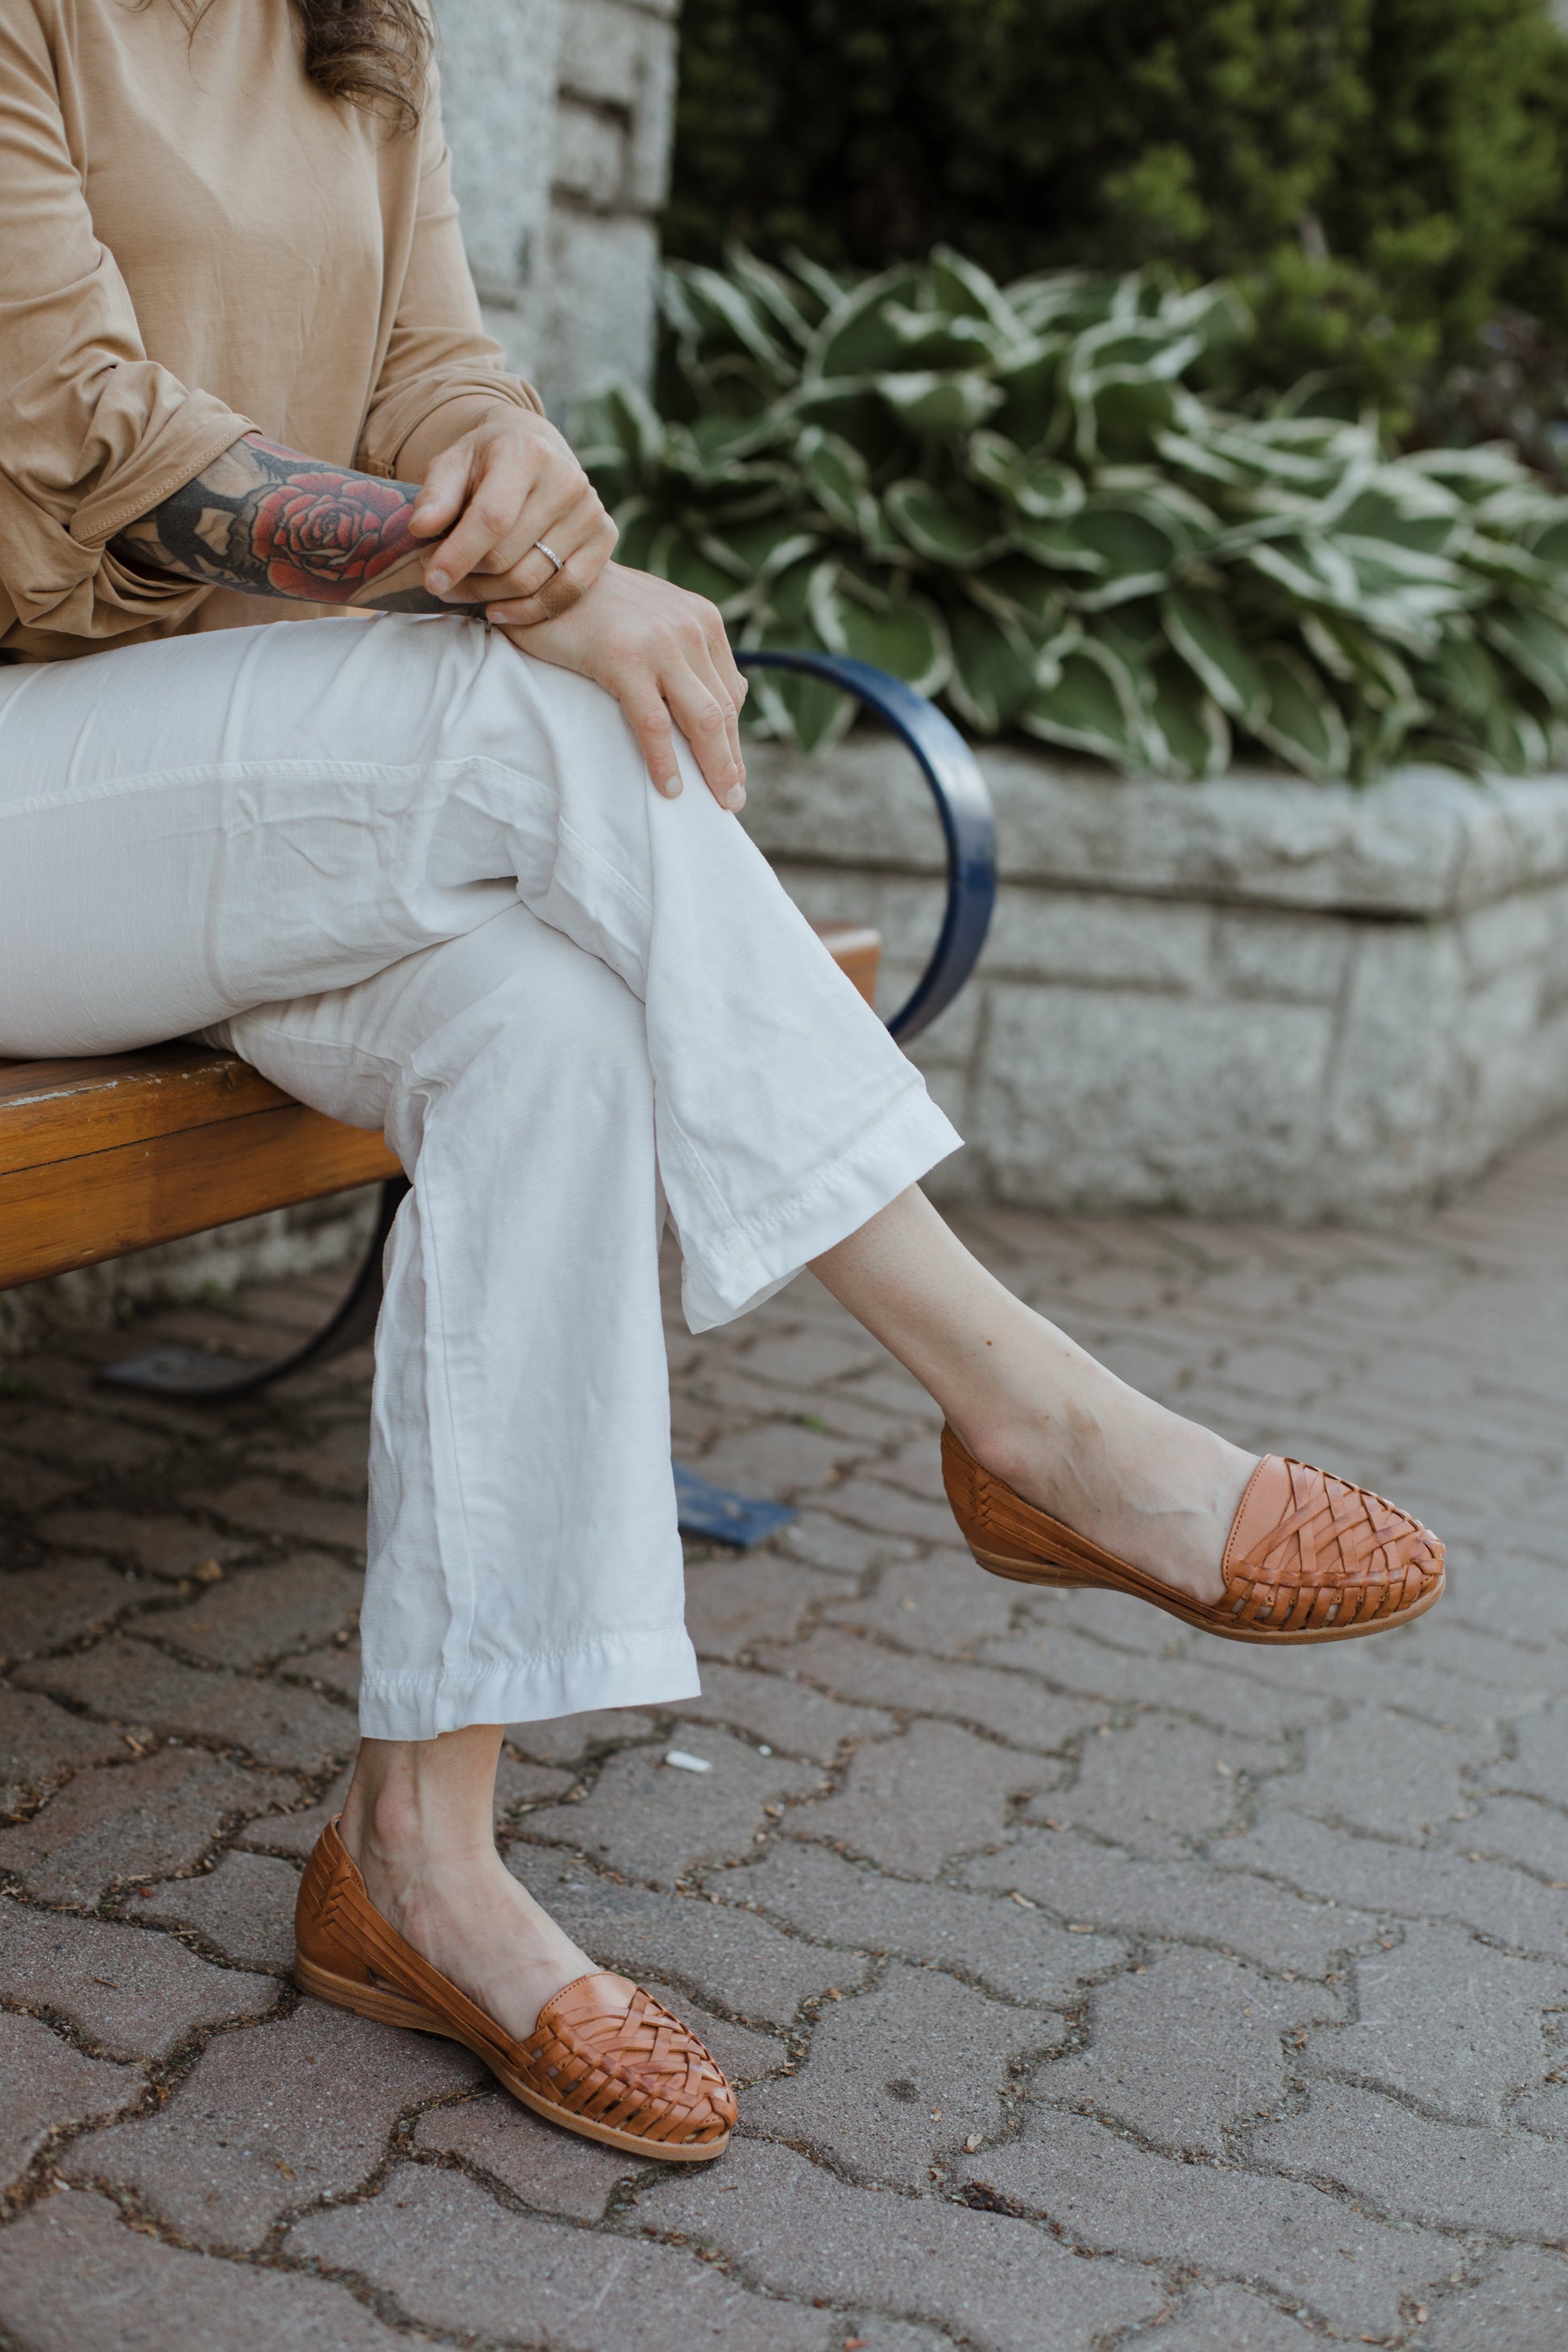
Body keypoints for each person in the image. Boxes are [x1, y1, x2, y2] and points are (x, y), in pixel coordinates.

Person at [0, 0, 1443, 2163]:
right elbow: (78, 420)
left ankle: (425, 1855)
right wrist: (486, 583)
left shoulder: (347, 26)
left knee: (551, 1031)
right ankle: (1026, 1410)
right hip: (42, 782)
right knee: (540, 710)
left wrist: (517, 485)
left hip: (258, 812)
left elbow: (434, 368)